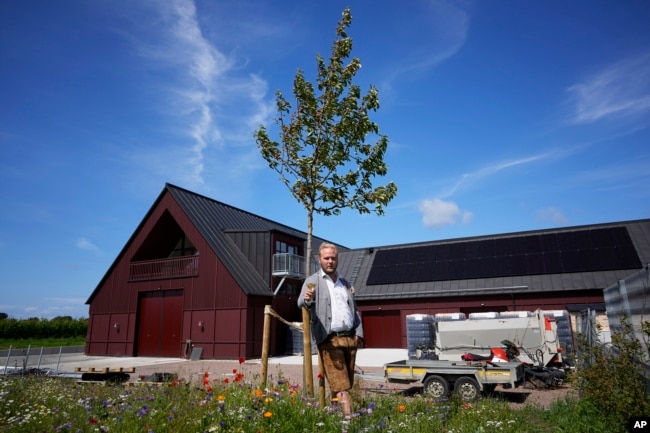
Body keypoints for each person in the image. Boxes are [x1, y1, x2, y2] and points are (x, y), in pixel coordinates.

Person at [297, 242, 364, 419]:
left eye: (333, 258)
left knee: (341, 383)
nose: (330, 261)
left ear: (337, 259)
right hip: (329, 339)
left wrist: (358, 333)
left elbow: (354, 309)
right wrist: (307, 299)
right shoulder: (312, 281)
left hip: (350, 339)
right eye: (326, 258)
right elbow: (301, 303)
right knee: (342, 386)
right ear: (319, 259)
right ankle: (348, 422)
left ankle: (332, 418)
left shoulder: (345, 282)